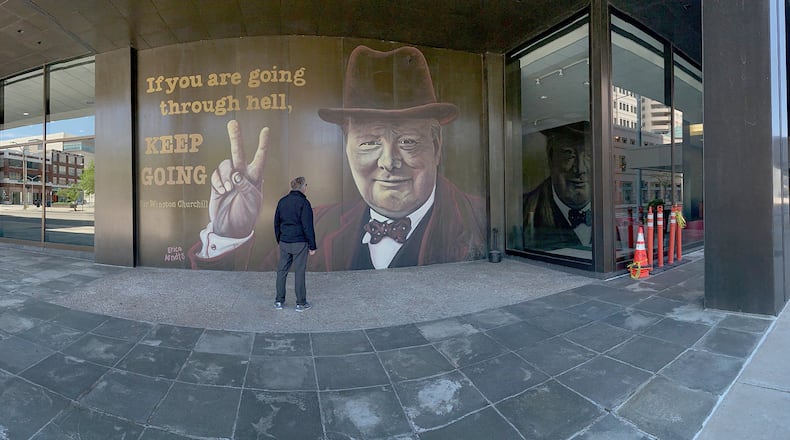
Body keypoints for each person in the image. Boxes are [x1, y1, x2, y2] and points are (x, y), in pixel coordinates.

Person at [187, 45, 486, 272]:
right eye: (369, 142)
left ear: (436, 144)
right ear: (346, 146)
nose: (388, 161)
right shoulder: (317, 223)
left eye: (408, 141)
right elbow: (246, 293)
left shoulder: (479, 220)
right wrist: (229, 234)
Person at [522, 121, 592, 251]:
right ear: (550, 156)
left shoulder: (609, 210)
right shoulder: (523, 210)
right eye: (569, 155)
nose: (580, 169)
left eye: (589, 155)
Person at [273, 176, 317, 311]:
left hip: (285, 242)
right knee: (299, 272)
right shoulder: (304, 203)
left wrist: (279, 239)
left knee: (281, 271)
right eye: (306, 185)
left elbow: (276, 223)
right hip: (300, 243)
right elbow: (307, 226)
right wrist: (312, 246)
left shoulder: (282, 202)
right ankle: (300, 303)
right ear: (303, 187)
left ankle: (279, 301)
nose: (307, 187)